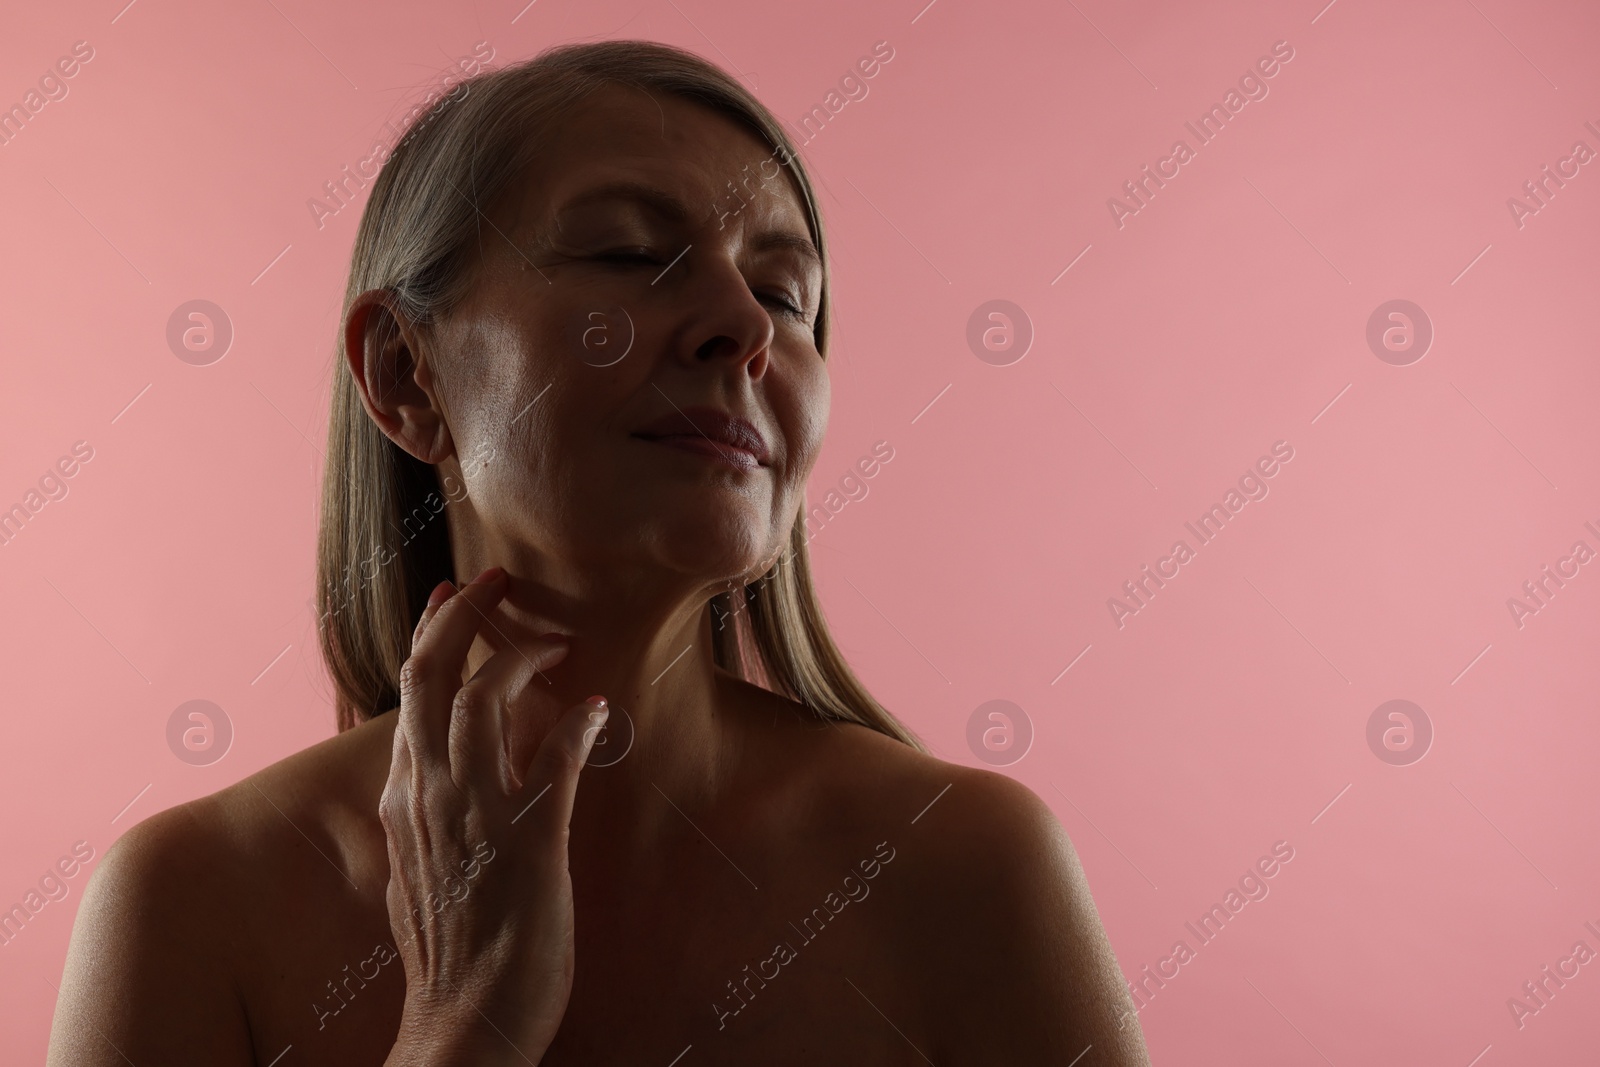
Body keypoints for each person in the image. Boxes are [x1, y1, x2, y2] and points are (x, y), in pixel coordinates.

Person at [47, 40, 1151, 1066]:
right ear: (402, 374)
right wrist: (457, 1028)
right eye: (630, 253)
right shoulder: (190, 905)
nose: (744, 327)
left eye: (783, 291)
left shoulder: (966, 867)